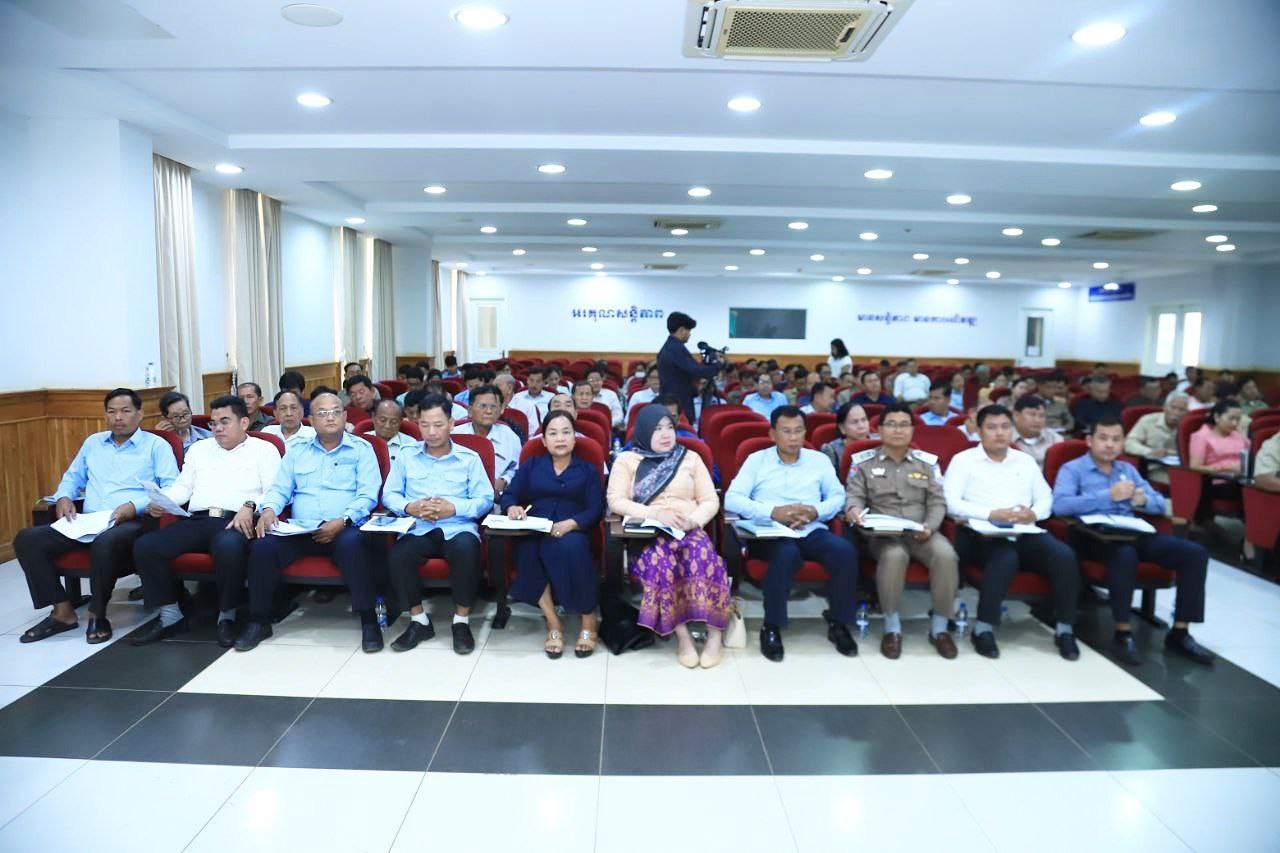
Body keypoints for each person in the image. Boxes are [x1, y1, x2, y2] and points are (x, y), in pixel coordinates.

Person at [15, 389, 179, 645]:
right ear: (105, 415)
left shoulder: (157, 446)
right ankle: (62, 611)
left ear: (139, 414)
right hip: (87, 520)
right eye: (111, 412)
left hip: (131, 522)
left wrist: (134, 505)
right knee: (27, 539)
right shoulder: (93, 442)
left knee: (106, 542)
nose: (118, 418)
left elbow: (171, 488)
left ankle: (98, 613)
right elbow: (72, 477)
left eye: (125, 411)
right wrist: (64, 497)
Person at [1051, 417, 1214, 665]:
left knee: (1194, 553)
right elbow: (1060, 505)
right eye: (1103, 438)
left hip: (1132, 531)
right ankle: (1122, 631)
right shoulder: (1073, 469)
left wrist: (1143, 501)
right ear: (1090, 441)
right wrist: (1108, 495)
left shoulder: (1127, 470)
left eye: (1116, 440)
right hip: (1093, 537)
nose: (1110, 445)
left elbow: (1159, 503)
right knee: (1124, 554)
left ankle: (1180, 632)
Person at [234, 392, 382, 653]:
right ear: (311, 420)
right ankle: (259, 621)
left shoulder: (362, 449)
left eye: (335, 412)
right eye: (322, 413)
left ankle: (369, 620)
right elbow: (280, 489)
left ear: (344, 416)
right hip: (300, 529)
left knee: (354, 545)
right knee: (262, 547)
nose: (330, 418)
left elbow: (368, 495)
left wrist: (343, 520)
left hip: (343, 527)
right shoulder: (297, 451)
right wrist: (269, 510)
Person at [131, 395, 282, 648]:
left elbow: (274, 490)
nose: (217, 428)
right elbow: (183, 487)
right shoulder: (199, 449)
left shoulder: (264, 450)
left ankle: (227, 616)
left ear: (244, 422)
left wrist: (250, 506)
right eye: (213, 423)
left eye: (225, 422)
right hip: (198, 519)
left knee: (228, 546)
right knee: (146, 546)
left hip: (236, 521)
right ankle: (171, 615)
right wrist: (164, 500)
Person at [943, 404, 1080, 661]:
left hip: (1024, 530)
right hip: (981, 534)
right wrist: (991, 514)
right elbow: (950, 503)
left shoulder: (1024, 461)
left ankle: (1065, 629)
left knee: (1063, 556)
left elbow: (1045, 498)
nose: (999, 433)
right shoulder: (964, 461)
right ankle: (983, 628)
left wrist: (1033, 514)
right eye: (992, 427)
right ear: (979, 431)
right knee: (1004, 558)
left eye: (1005, 427)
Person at [725, 406, 860, 662]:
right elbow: (732, 499)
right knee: (786, 554)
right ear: (772, 434)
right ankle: (771, 626)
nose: (793, 437)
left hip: (810, 528)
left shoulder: (818, 460)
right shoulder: (757, 460)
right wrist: (773, 512)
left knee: (844, 551)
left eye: (798, 431)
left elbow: (838, 496)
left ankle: (839, 623)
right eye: (786, 431)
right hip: (769, 532)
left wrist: (815, 511)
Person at [608, 405, 730, 668]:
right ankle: (682, 636)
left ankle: (714, 635)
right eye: (657, 429)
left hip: (688, 529)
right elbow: (615, 500)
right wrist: (654, 513)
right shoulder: (627, 460)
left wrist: (693, 520)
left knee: (705, 558)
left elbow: (710, 500)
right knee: (662, 565)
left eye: (669, 427)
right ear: (643, 432)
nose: (665, 434)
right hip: (649, 535)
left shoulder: (691, 458)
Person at [381, 394, 494, 655]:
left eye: (438, 425)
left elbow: (485, 499)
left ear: (451, 424)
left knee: (466, 550)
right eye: (425, 425)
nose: (431, 432)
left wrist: (454, 508)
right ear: (417, 424)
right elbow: (390, 494)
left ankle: (461, 621)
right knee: (399, 555)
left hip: (458, 527)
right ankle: (419, 621)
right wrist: (409, 507)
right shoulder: (407, 456)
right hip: (418, 527)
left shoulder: (469, 458)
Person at [845, 403, 959, 659]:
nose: (898, 430)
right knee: (894, 556)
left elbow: (937, 502)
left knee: (946, 555)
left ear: (912, 429)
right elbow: (854, 496)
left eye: (904, 425)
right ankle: (892, 627)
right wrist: (854, 510)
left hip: (921, 531)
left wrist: (930, 526)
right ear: (879, 429)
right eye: (892, 425)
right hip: (882, 535)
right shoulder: (862, 462)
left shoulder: (927, 463)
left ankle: (940, 628)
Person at [502, 410, 603, 658]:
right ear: (544, 441)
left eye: (566, 432)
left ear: (575, 438)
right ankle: (553, 622)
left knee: (572, 547)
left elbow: (595, 508)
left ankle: (588, 620)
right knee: (527, 550)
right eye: (553, 433)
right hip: (537, 526)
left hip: (573, 528)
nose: (560, 438)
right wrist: (512, 507)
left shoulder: (587, 470)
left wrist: (572, 524)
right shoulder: (532, 466)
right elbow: (510, 495)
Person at [452, 384, 521, 496]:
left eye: (493, 406)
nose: (488, 411)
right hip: (457, 495)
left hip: (496, 498)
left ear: (501, 409)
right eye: (482, 406)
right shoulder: (455, 435)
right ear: (470, 411)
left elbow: (517, 468)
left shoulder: (510, 437)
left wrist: (505, 479)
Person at [657, 311, 721, 425]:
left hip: (672, 399)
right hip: (678, 402)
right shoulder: (676, 348)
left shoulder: (669, 347)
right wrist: (717, 365)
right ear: (682, 330)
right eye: (689, 330)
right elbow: (696, 370)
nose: (690, 334)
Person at [1125, 393, 1188, 484]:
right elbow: (1129, 443)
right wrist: (1150, 452)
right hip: (1154, 468)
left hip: (1180, 468)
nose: (1176, 413)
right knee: (1181, 484)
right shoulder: (1148, 421)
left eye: (1181, 410)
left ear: (1187, 412)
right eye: (1173, 408)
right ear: (1165, 407)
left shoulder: (1187, 427)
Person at [1188, 398, 1248, 475]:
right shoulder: (1201, 436)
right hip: (1217, 478)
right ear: (1217, 417)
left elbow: (1250, 458)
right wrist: (1224, 469)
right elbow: (1194, 467)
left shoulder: (1237, 434)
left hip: (1242, 478)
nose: (1235, 423)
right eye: (1231, 418)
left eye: (1238, 419)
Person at [1011, 395, 1064, 469]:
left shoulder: (1055, 439)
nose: (1037, 420)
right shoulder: (1005, 439)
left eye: (1041, 416)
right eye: (1032, 415)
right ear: (1016, 415)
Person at [821, 401, 874, 471]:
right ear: (842, 428)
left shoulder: (879, 442)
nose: (861, 426)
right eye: (855, 422)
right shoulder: (831, 450)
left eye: (864, 420)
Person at [366, 399, 416, 464]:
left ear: (401, 421)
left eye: (394, 422)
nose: (388, 426)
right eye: (383, 420)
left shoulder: (410, 444)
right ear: (373, 417)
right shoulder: (362, 442)